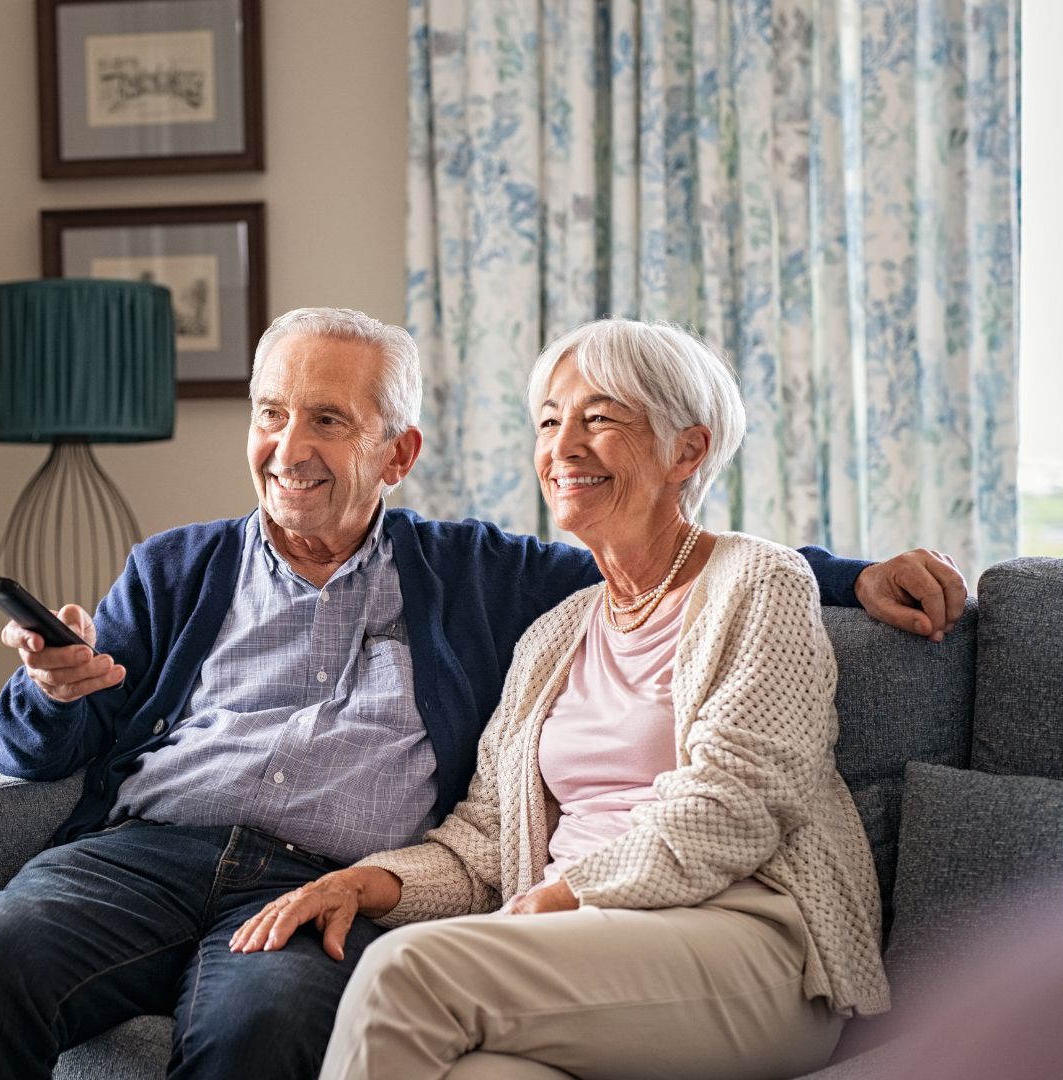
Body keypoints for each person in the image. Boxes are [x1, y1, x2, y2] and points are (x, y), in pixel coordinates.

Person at [0, 309, 959, 1080]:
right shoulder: (175, 569)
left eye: (327, 419)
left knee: (267, 1028)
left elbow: (685, 560)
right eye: (272, 414)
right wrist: (52, 689)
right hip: (148, 855)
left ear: (398, 453)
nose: (289, 449)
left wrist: (854, 577)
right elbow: (42, 748)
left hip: (331, 875)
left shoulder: (492, 578)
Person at [231, 318, 891, 1080]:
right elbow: (484, 843)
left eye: (600, 418)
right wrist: (362, 882)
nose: (564, 446)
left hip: (745, 944)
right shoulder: (554, 636)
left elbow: (736, 805)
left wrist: (564, 894)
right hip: (581, 954)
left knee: (405, 973)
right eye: (549, 421)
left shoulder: (759, 583)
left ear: (689, 449)